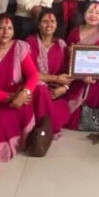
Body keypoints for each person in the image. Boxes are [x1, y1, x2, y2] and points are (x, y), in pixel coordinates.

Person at [0, 14, 38, 162]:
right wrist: (12, 97)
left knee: (33, 96)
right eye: (1, 28)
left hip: (18, 95)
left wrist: (24, 93)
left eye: (9, 28)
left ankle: (33, 138)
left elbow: (33, 75)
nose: (6, 32)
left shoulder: (19, 46)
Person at [64, 0, 99, 136]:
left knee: (94, 90)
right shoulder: (74, 31)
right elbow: (67, 58)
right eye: (90, 11)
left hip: (97, 79)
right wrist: (70, 53)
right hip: (75, 77)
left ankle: (90, 122)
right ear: (84, 14)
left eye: (97, 13)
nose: (93, 15)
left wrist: (94, 76)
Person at [26, 9, 73, 138]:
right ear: (38, 24)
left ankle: (46, 126)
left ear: (57, 24)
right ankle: (44, 127)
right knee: (41, 87)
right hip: (35, 89)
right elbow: (31, 74)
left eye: (52, 21)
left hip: (55, 92)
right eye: (45, 21)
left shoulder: (61, 45)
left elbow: (69, 72)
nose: (49, 25)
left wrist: (64, 88)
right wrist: (56, 78)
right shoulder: (29, 43)